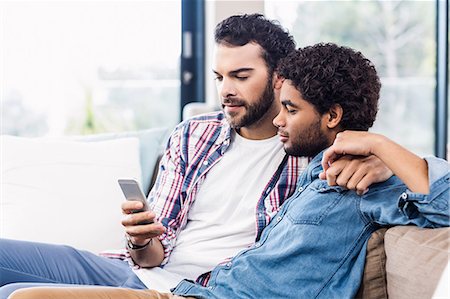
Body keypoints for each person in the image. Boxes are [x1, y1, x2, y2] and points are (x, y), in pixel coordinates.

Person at [13, 42, 449, 299]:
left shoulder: (367, 181)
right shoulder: (319, 170)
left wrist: (378, 147)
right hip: (193, 290)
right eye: (219, 76)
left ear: (332, 116)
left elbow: (442, 199)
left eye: (290, 109)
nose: (280, 119)